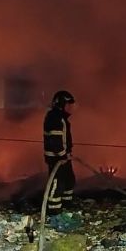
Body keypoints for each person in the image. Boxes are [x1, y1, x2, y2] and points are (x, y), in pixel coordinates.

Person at [43, 90, 76, 218]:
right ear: (61, 104)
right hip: (56, 158)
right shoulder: (54, 118)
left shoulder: (61, 118)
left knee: (69, 180)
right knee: (57, 183)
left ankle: (66, 204)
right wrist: (62, 155)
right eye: (68, 105)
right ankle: (53, 210)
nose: (71, 108)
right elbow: (56, 141)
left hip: (63, 157)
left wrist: (67, 153)